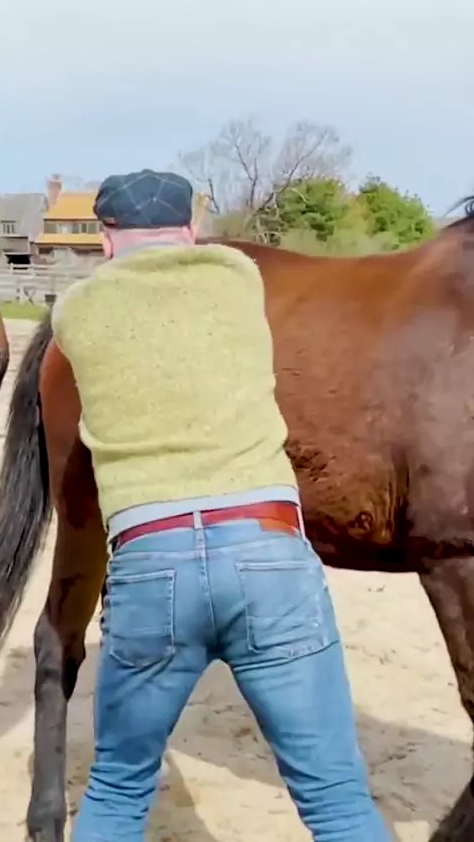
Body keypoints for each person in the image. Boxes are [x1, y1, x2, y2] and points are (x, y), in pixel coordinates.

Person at [51, 169, 391, 842]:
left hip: (150, 557)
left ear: (105, 239)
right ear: (193, 230)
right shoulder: (238, 280)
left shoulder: (76, 311)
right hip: (267, 552)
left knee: (117, 789)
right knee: (337, 800)